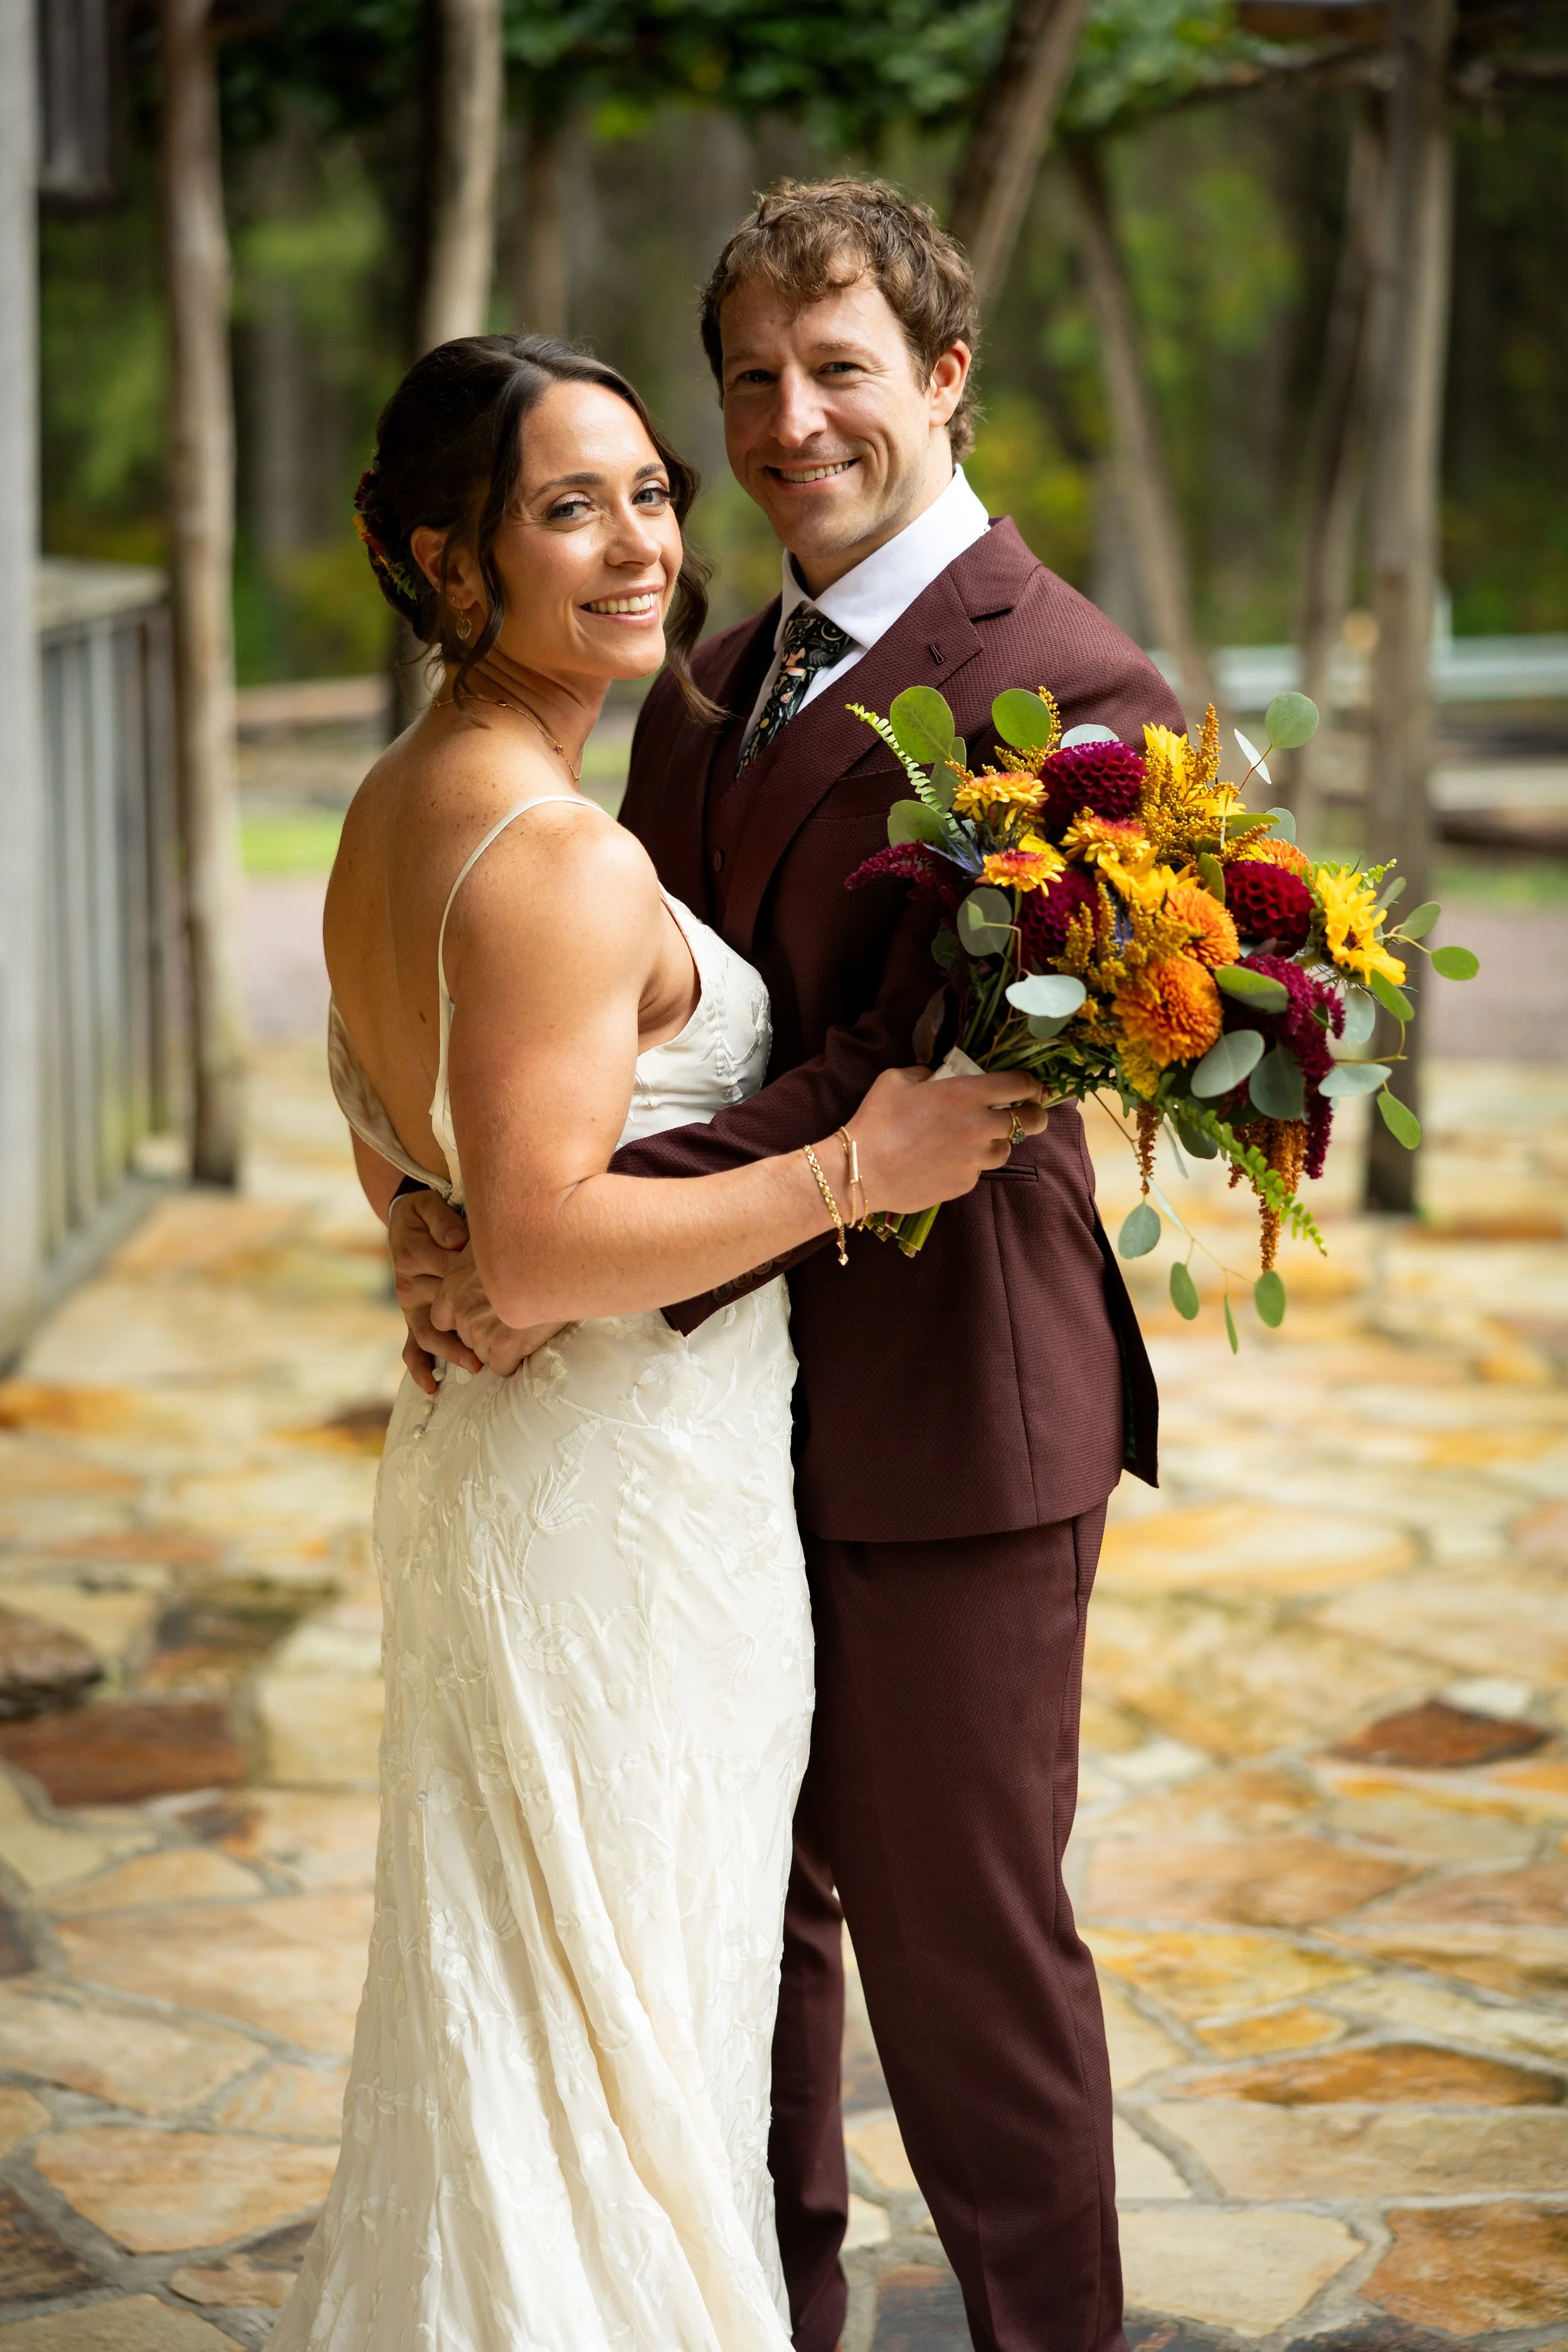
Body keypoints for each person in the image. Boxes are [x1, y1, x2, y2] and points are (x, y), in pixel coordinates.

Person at [398, 182, 1187, 2352]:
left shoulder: (1074, 686)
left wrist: (536, 1251)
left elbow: (918, 1063)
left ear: (941, 374)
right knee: (738, 1926)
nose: (786, 419)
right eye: (746, 376)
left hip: (953, 1404)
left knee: (966, 1950)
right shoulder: (715, 677)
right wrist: (475, 1213)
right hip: (706, 1412)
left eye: (837, 366)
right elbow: (636, 1019)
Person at [272, 331, 1043, 2352]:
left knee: (543, 2012)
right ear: (448, 563)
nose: (640, 545)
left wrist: (438, 1245)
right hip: (614, 1515)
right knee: (612, 2015)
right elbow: (538, 1238)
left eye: (646, 490)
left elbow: (416, 1158)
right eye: (565, 507)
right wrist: (862, 1164)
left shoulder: (399, 805)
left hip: (543, 1482)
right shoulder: (553, 854)